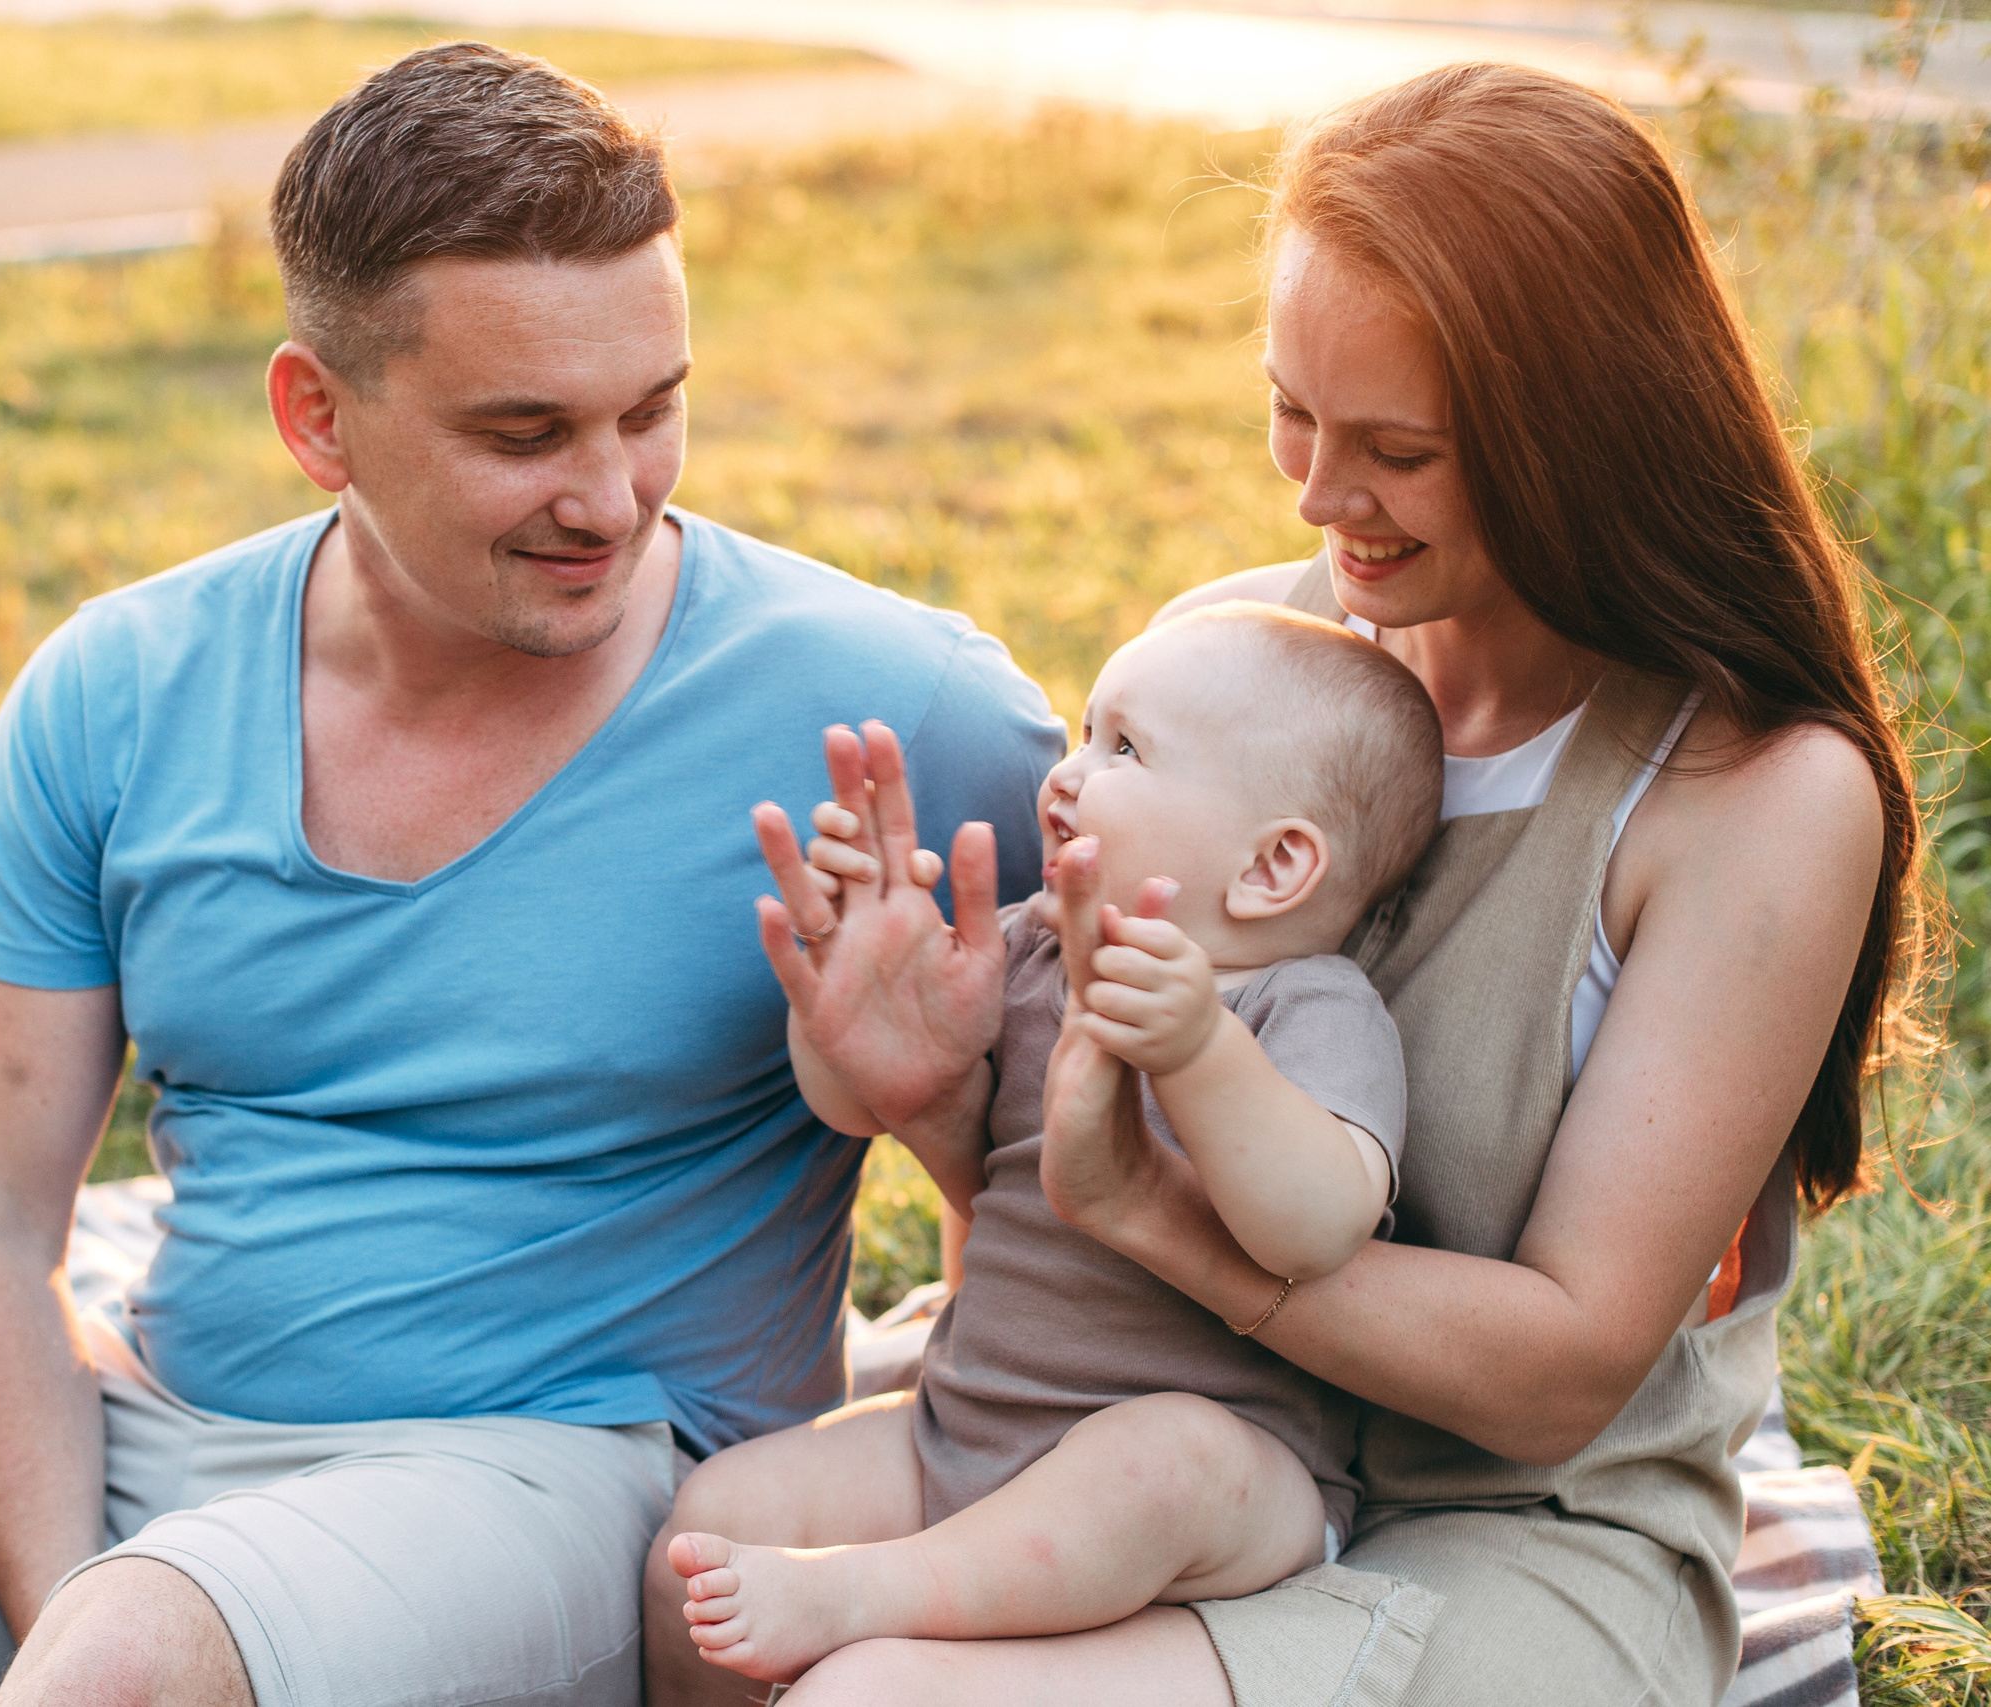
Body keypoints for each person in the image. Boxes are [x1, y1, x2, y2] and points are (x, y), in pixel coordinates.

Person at [0, 43, 1062, 1707]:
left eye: (653, 409)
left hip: (559, 1472)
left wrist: (923, 1108)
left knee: (136, 1655)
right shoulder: (122, 688)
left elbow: (1115, 1231)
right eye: (525, 431)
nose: (612, 495)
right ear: (317, 417)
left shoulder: (907, 714)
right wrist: (68, 1591)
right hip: (142, 1430)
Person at [642, 61, 1923, 1707]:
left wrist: (1165, 1224)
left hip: (1516, 1531)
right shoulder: (1250, 664)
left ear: (1583, 438)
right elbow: (1054, 1220)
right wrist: (935, 1101)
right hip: (1141, 1443)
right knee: (694, 1594)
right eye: (1292, 412)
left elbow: (1556, 1383)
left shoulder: (1748, 789)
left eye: (1397, 447)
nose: (1318, 497)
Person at [660, 606, 1444, 1685]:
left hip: (1228, 1488)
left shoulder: (1307, 1006)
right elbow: (856, 1105)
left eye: (1123, 748)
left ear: (1273, 867)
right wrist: (847, 986)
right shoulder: (1035, 949)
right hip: (972, 1424)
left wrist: (1197, 1051)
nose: (1068, 775)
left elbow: (1316, 1229)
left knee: (1163, 1459)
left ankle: (866, 1595)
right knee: (712, 1522)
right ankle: (862, 1595)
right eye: (1083, 733)